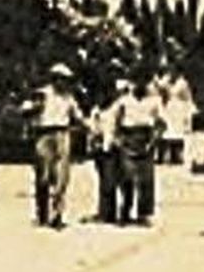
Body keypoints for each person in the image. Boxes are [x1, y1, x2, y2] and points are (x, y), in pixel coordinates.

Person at [20, 63, 84, 229]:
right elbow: (25, 110)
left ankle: (57, 214)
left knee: (62, 176)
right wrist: (33, 108)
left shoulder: (69, 98)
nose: (62, 82)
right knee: (44, 174)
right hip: (44, 133)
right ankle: (42, 212)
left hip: (62, 134)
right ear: (53, 78)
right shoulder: (42, 94)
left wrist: (84, 127)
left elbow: (78, 116)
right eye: (59, 79)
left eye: (65, 80)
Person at [113, 76, 164, 225]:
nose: (140, 85)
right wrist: (118, 140)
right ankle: (125, 211)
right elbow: (116, 121)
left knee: (146, 179)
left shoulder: (154, 101)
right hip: (128, 137)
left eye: (144, 81)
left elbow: (161, 123)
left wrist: (154, 140)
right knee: (126, 177)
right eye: (137, 81)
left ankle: (144, 214)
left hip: (146, 137)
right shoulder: (124, 101)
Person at [89, 79, 124, 224]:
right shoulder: (96, 110)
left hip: (114, 146)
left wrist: (119, 139)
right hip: (100, 147)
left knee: (111, 180)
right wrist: (93, 140)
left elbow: (121, 125)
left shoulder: (117, 108)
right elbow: (93, 129)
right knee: (103, 180)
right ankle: (104, 211)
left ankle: (112, 213)